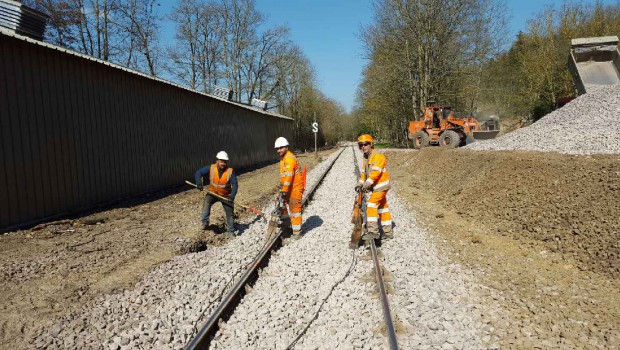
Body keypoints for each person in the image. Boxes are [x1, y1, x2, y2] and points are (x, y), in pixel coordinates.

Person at [355, 134, 393, 240]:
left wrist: (366, 185)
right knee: (383, 208)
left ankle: (373, 232)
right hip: (376, 187)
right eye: (361, 145)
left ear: (371, 144)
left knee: (371, 205)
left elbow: (375, 173)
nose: (363, 147)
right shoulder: (366, 158)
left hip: (381, 186)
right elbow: (364, 174)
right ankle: (388, 232)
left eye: (366, 144)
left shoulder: (378, 156)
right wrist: (359, 184)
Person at [194, 151, 238, 235]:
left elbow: (235, 184)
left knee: (230, 213)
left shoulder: (230, 171)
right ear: (217, 161)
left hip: (225, 195)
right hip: (213, 193)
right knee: (206, 204)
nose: (223, 163)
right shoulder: (211, 168)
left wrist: (232, 197)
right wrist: (199, 183)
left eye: (225, 162)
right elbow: (198, 173)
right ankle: (205, 223)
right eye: (221, 161)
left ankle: (230, 231)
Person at [274, 137, 305, 239]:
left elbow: (289, 176)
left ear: (286, 147)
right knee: (281, 205)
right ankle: (287, 226)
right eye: (277, 148)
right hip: (288, 188)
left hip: (295, 188)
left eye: (281, 148)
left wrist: (284, 191)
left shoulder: (290, 159)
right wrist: (282, 188)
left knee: (295, 210)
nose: (279, 150)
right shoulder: (283, 159)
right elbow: (284, 176)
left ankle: (297, 232)